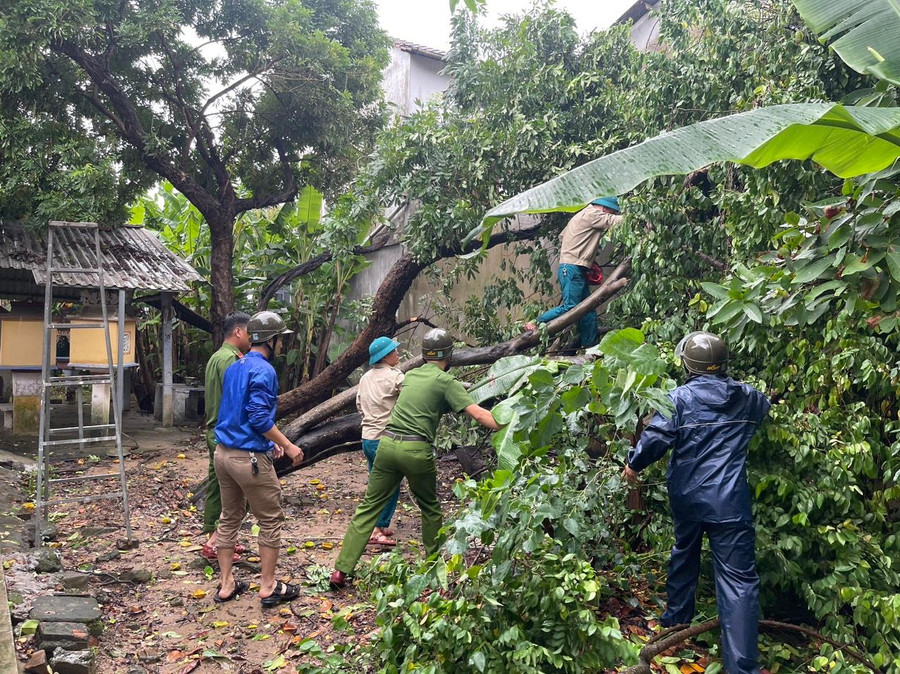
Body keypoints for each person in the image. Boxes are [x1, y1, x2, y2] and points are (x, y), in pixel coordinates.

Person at [623, 331, 770, 674]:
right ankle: (742, 667)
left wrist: (633, 465)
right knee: (739, 583)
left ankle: (676, 626)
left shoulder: (678, 399)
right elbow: (763, 406)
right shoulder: (749, 398)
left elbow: (656, 437)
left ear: (688, 364)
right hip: (730, 502)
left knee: (684, 552)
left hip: (688, 498)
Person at [330, 328, 501, 588]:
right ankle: (433, 568)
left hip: (386, 444)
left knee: (368, 507)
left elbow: (424, 402)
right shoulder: (446, 382)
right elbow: (479, 415)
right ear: (449, 355)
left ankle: (340, 571)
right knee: (430, 508)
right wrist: (509, 421)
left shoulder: (409, 376)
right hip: (415, 450)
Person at [212, 310, 304, 607]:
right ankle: (268, 585)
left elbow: (238, 414)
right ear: (272, 340)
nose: (282, 346)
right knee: (270, 519)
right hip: (247, 459)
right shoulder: (264, 371)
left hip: (223, 455)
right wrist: (288, 446)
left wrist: (268, 442)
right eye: (281, 340)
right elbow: (258, 417)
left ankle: (226, 584)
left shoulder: (235, 367)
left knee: (229, 517)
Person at [524, 196, 623, 347]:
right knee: (571, 307)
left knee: (588, 310)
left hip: (574, 267)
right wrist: (638, 217)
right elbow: (615, 222)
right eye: (612, 212)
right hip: (571, 268)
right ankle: (536, 322)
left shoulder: (580, 216)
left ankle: (590, 347)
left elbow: (564, 236)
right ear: (604, 208)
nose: (613, 215)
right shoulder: (592, 214)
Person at [201, 311, 252, 563]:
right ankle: (218, 541)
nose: (252, 339)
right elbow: (238, 400)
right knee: (239, 489)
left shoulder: (215, 357)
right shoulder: (232, 361)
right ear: (238, 332)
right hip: (227, 432)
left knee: (217, 486)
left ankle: (219, 535)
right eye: (249, 332)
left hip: (214, 430)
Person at [356, 336, 405, 546]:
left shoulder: (365, 378)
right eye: (394, 351)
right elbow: (409, 400)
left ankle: (379, 525)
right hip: (385, 439)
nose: (398, 354)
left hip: (367, 438)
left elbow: (359, 404)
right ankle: (376, 529)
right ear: (386, 357)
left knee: (376, 483)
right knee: (390, 485)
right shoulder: (396, 377)